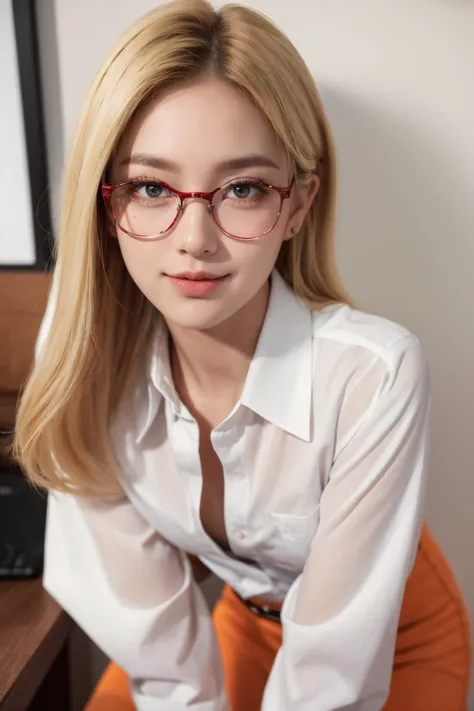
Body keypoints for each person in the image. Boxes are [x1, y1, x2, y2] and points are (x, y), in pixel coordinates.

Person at [13, 1, 470, 709]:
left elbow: (331, 677)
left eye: (244, 188)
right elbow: (152, 638)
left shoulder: (373, 377)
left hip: (389, 638)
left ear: (297, 204)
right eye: (152, 186)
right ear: (107, 203)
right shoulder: (85, 352)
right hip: (243, 624)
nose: (195, 238)